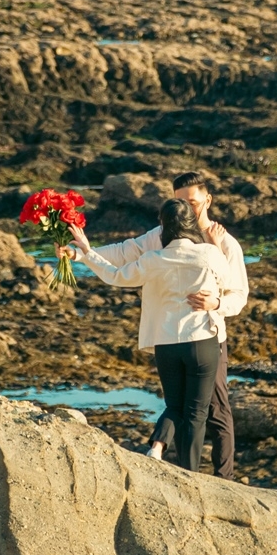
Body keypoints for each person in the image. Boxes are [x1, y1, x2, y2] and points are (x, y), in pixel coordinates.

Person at [88, 172, 248, 478]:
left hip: (208, 332)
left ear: (207, 201)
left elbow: (238, 294)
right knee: (193, 410)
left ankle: (223, 478)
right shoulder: (160, 236)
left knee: (216, 410)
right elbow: (124, 251)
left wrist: (217, 304)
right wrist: (82, 253)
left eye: (193, 201)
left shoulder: (225, 244)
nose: (188, 207)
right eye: (181, 202)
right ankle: (188, 470)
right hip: (192, 340)